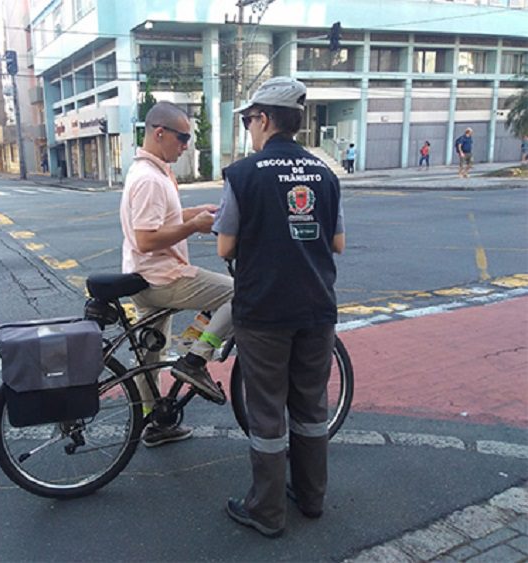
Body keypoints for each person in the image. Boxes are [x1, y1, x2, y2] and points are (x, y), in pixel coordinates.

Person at [215, 77, 345, 538]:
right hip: (316, 307)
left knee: (267, 411)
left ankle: (267, 511)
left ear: (265, 119)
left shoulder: (244, 175)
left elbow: (225, 246)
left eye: (250, 119)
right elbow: (338, 242)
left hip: (265, 311)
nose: (250, 127)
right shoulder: (325, 173)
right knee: (311, 406)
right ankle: (311, 497)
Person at [120, 101, 234, 447]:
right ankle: (197, 358)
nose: (186, 145)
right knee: (240, 293)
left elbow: (160, 219)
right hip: (162, 276)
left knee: (150, 355)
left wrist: (194, 213)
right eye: (182, 137)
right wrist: (194, 227)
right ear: (159, 133)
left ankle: (152, 423)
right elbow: (146, 238)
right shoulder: (150, 179)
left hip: (143, 276)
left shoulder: (150, 173)